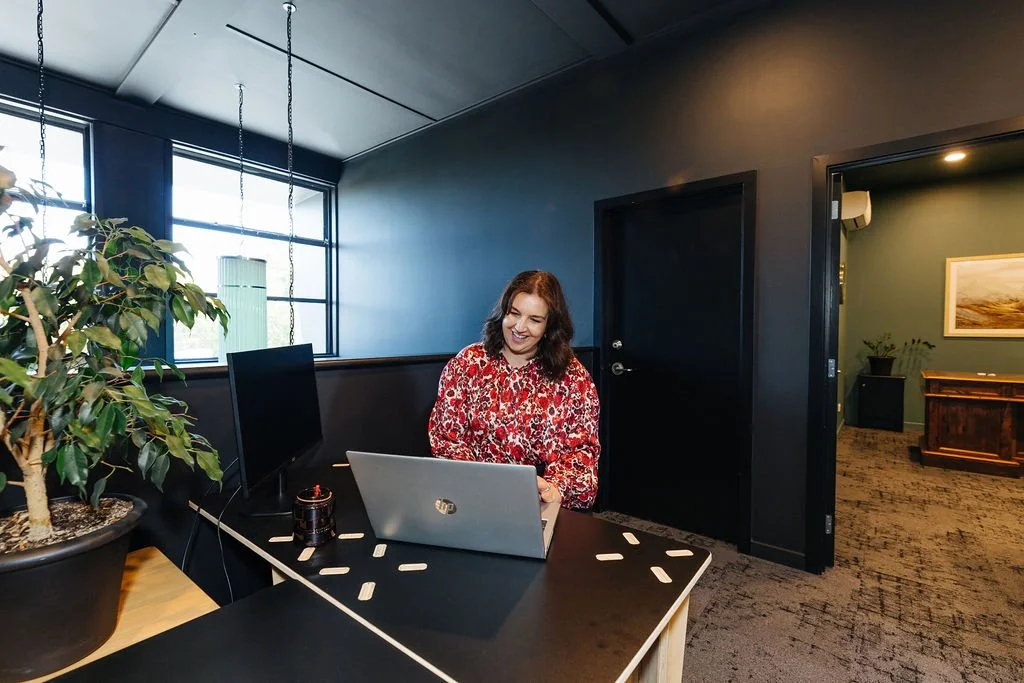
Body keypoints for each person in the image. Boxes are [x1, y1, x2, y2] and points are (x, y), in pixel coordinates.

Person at [428, 270, 601, 510]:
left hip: (540, 504)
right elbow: (446, 438)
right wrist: (481, 483)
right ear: (503, 313)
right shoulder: (468, 363)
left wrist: (551, 489)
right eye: (514, 313)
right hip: (473, 498)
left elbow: (580, 455)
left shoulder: (573, 377)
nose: (519, 327)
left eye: (535, 319)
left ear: (550, 326)